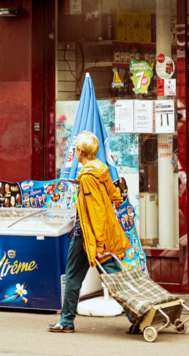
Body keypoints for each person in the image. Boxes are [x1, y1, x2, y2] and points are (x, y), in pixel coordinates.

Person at [49, 132, 133, 333]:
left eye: (76, 148)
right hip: (99, 233)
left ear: (80, 152)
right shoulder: (101, 170)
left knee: (73, 277)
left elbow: (95, 213)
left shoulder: (87, 177)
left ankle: (67, 321)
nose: (75, 151)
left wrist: (99, 245)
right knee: (115, 277)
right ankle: (136, 315)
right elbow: (115, 197)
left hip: (87, 236)